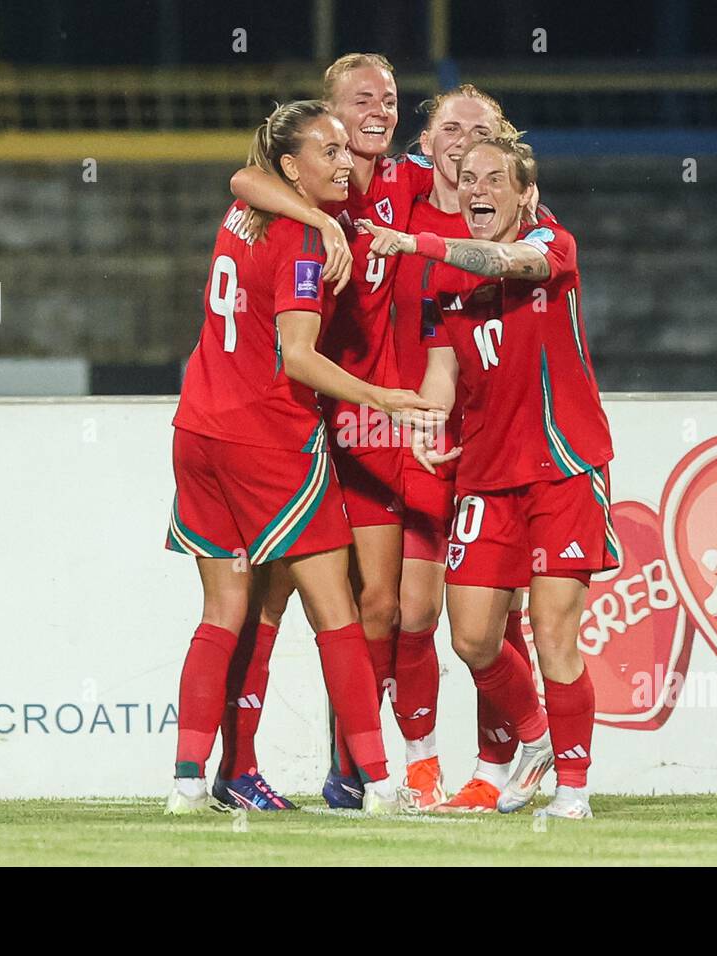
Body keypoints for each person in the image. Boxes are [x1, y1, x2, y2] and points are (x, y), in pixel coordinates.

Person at [164, 99, 442, 816]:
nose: (346, 162)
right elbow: (297, 357)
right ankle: (379, 784)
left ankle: (189, 784)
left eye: (347, 150)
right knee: (337, 612)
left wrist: (319, 215)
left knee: (224, 608)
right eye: (330, 150)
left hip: (199, 430)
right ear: (293, 166)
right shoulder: (300, 239)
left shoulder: (250, 212)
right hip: (268, 440)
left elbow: (242, 179)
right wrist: (381, 396)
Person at [359, 136, 618, 820]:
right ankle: (533, 738)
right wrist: (423, 417)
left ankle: (574, 790)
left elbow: (513, 260)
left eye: (495, 178)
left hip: (563, 467)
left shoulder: (551, 243)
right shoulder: (446, 282)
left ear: (524, 193)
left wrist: (417, 243)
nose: (479, 188)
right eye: (468, 177)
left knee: (554, 632)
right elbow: (443, 372)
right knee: (472, 638)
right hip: (487, 474)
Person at [388, 86, 546, 812]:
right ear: (427, 139)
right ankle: (421, 763)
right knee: (414, 612)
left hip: (500, 454)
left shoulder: (531, 231)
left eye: (478, 130)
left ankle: (494, 769)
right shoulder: (395, 209)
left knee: (493, 624)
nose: (461, 140)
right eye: (448, 125)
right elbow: (435, 354)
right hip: (426, 436)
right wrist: (420, 413)